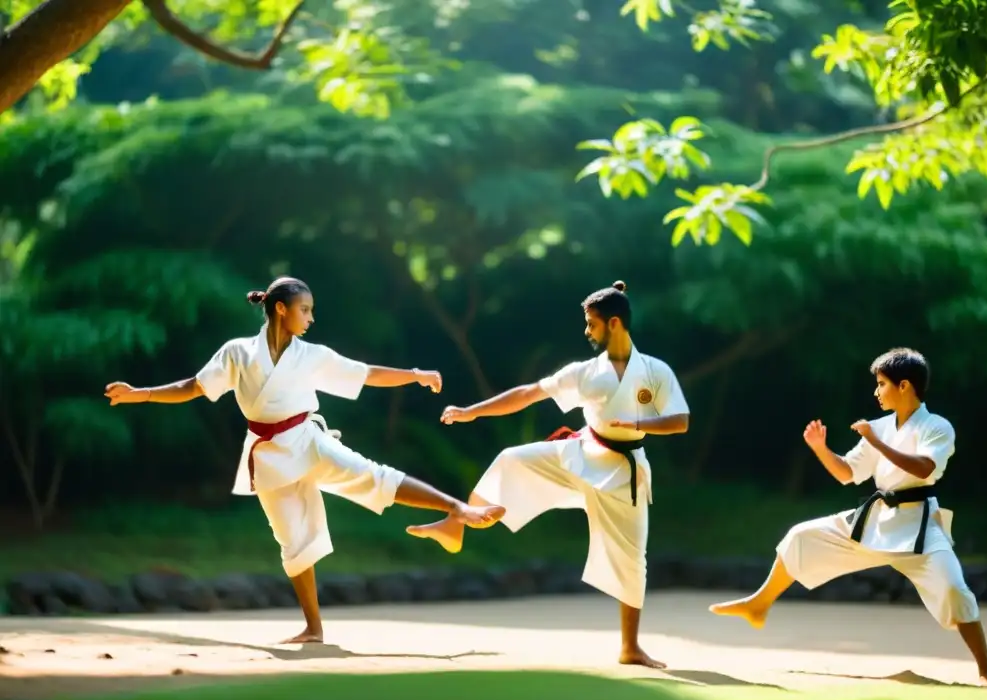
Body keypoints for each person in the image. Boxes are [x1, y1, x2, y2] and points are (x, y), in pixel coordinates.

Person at [104, 276, 504, 645]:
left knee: (370, 474)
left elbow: (365, 374)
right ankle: (313, 627)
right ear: (282, 309)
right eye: (305, 310)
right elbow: (193, 386)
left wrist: (415, 374)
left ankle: (457, 509)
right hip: (267, 453)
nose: (311, 318)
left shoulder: (311, 355)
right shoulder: (239, 353)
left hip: (307, 439)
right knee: (292, 540)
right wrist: (140, 393)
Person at [406, 280, 690, 669]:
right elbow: (527, 393)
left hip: (624, 471)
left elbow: (680, 421)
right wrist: (472, 410)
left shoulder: (655, 370)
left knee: (632, 558)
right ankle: (456, 523)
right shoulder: (585, 372)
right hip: (581, 452)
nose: (587, 331)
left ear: (615, 324)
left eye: (592, 324)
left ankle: (630, 647)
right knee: (512, 458)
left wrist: (638, 419)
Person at [709, 348, 987, 689]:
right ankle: (759, 603)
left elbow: (924, 468)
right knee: (800, 535)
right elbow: (847, 473)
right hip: (874, 519)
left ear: (904, 386)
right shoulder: (879, 427)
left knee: (953, 589)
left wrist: (875, 441)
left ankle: (986, 671)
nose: (876, 391)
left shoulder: (937, 427)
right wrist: (821, 449)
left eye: (881, 384)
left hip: (919, 526)